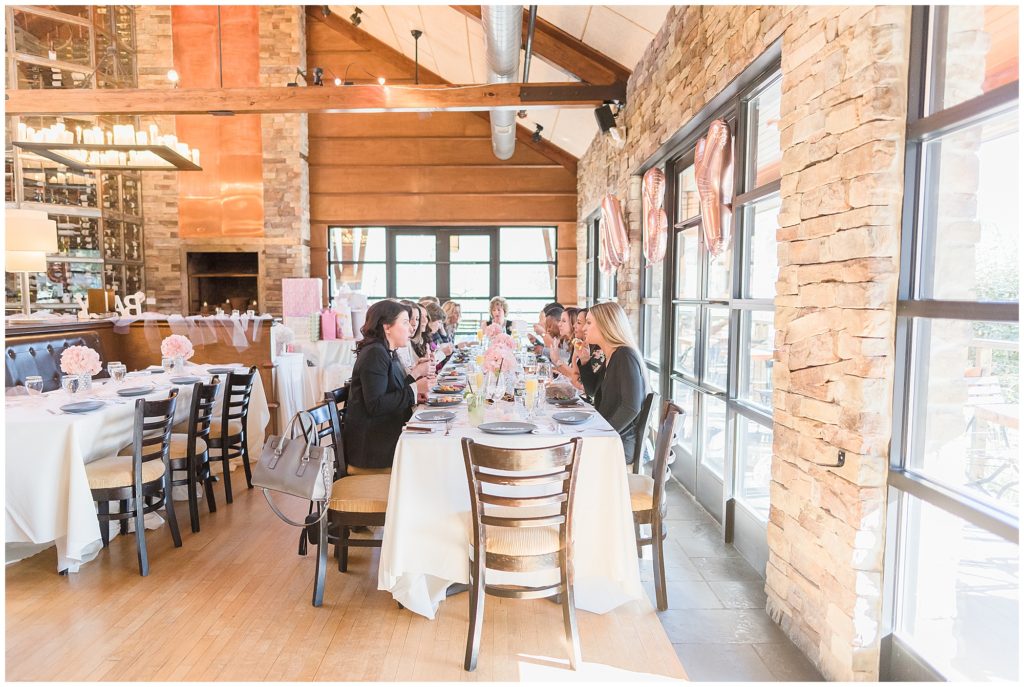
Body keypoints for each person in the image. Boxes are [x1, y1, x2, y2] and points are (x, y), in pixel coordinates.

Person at [343, 300, 431, 470]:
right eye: (405, 322)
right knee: (428, 461)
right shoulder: (375, 354)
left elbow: (394, 389)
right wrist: (414, 390)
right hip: (372, 450)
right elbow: (375, 405)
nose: (411, 328)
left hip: (383, 436)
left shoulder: (386, 352)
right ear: (387, 327)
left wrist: (415, 379)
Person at [583, 302, 647, 463]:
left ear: (606, 326)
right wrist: (584, 361)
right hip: (614, 438)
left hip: (622, 445)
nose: (584, 328)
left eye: (589, 322)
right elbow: (592, 391)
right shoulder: (611, 356)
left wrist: (602, 435)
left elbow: (631, 407)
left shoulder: (625, 356)